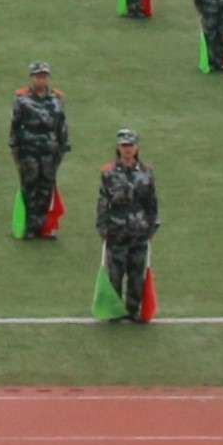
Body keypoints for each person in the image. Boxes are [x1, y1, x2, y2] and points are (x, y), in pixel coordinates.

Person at [96, 125, 161, 321]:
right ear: (118, 147)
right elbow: (102, 202)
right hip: (116, 231)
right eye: (124, 145)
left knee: (136, 274)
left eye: (131, 145)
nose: (127, 149)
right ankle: (115, 310)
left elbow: (152, 203)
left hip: (139, 232)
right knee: (115, 274)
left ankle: (133, 309)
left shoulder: (147, 174)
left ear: (136, 148)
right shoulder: (109, 174)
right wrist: (102, 227)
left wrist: (152, 227)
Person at [7, 64, 69, 242]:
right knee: (30, 187)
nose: (41, 80)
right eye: (37, 76)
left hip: (50, 151)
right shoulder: (22, 99)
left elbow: (61, 126)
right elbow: (15, 126)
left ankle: (45, 227)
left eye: (44, 76)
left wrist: (63, 148)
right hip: (29, 151)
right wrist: (14, 148)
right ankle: (31, 226)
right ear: (31, 78)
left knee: (46, 188)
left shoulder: (57, 98)